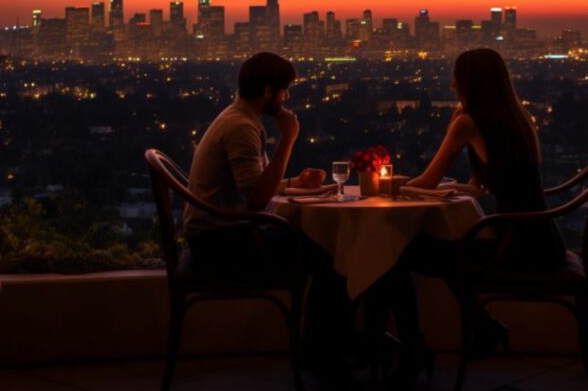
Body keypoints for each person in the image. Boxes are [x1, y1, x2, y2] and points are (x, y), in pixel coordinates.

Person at [389, 48, 568, 386]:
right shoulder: (517, 117)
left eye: (457, 75)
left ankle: (413, 348)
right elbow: (507, 182)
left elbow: (427, 180)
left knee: (398, 255)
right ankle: (483, 326)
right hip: (542, 240)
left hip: (516, 247)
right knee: (450, 258)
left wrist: (389, 188)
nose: (452, 81)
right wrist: (462, 187)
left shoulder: (468, 121)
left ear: (470, 81)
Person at [184, 52, 356, 388]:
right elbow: (258, 198)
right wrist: (288, 139)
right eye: (285, 90)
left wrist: (294, 183)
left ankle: (319, 352)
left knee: (324, 254)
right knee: (334, 261)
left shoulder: (238, 118)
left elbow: (254, 186)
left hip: (218, 233)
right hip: (220, 242)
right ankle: (327, 360)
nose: (287, 97)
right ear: (267, 90)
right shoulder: (242, 128)